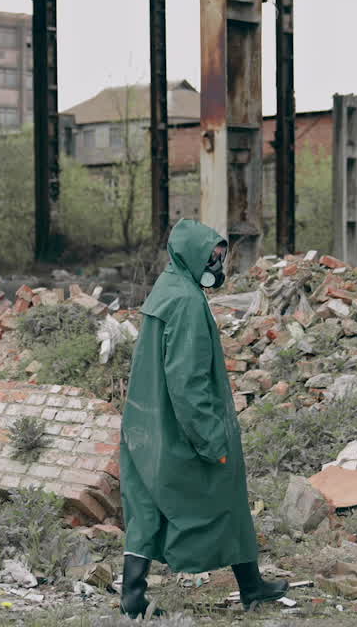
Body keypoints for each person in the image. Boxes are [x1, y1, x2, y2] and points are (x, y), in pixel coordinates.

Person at [118, 219, 288, 619]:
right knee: (225, 494)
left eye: (220, 256)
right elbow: (188, 382)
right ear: (192, 255)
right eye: (212, 257)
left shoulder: (167, 288)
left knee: (146, 506)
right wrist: (211, 439)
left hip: (147, 427)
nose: (217, 264)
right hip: (181, 429)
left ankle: (133, 596)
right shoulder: (189, 303)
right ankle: (251, 585)